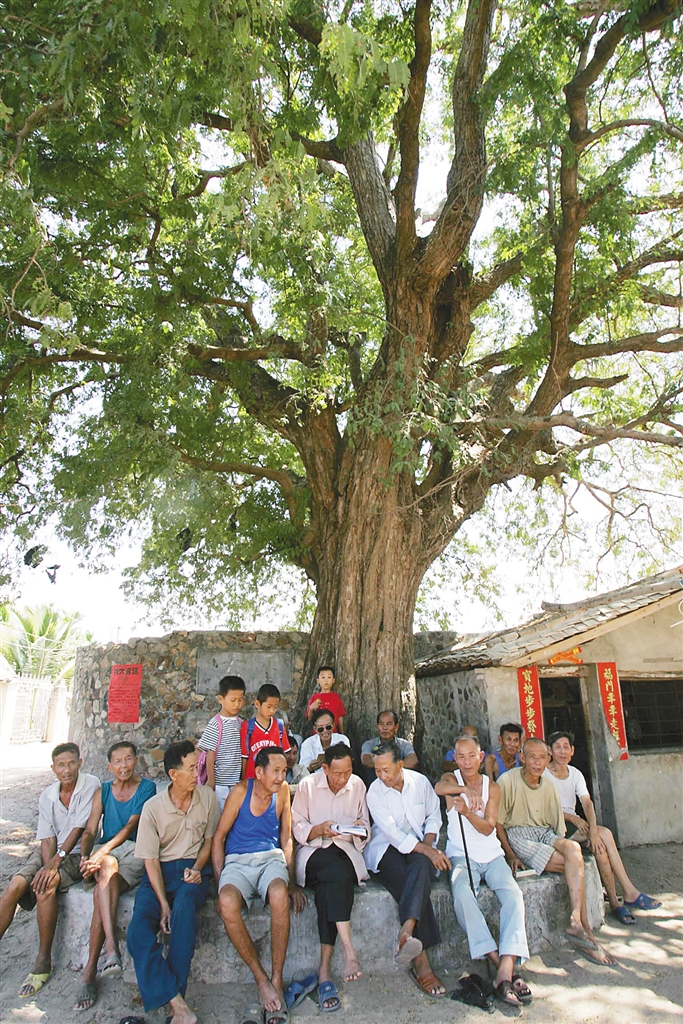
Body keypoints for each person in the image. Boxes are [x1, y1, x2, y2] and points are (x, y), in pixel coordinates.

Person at [496, 737, 616, 966]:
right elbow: (498, 823)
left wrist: (565, 847)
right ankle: (585, 930)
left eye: (542, 758)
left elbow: (557, 829)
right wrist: (510, 854)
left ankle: (576, 920)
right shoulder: (507, 781)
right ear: (522, 757)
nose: (537, 762)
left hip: (544, 832)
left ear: (547, 759)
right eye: (532, 757)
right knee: (574, 865)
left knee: (573, 850)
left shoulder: (548, 786)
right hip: (519, 834)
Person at [435, 735, 532, 1009]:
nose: (466, 762)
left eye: (472, 756)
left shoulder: (493, 787)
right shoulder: (452, 779)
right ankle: (500, 964)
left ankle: (505, 969)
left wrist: (468, 813)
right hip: (461, 855)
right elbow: (439, 787)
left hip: (492, 855)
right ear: (455, 758)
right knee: (463, 896)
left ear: (481, 757)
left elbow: (489, 828)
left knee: (514, 896)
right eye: (461, 756)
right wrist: (465, 791)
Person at [127, 740, 219, 1024]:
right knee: (138, 931)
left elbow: (209, 842)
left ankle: (175, 1004)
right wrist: (162, 903)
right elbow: (151, 860)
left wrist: (198, 868)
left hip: (193, 871)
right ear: (173, 774)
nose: (197, 774)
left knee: (184, 912)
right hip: (158, 875)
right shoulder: (153, 808)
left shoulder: (207, 797)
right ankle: (176, 1002)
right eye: (191, 768)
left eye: (198, 767)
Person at [213, 746, 306, 1024]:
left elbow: (286, 837)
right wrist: (219, 885)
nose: (280, 777)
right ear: (259, 772)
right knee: (227, 901)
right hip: (238, 862)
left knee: (279, 894)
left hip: (270, 859)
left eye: (284, 771)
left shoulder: (283, 791)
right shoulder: (241, 792)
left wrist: (291, 883)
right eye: (275, 771)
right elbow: (218, 838)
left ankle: (276, 979)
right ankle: (261, 978)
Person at [0, 742, 100, 998]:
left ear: (80, 763)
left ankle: (43, 961)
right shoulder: (48, 795)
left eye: (72, 763)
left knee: (46, 887)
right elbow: (47, 838)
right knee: (14, 886)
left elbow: (79, 829)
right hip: (52, 851)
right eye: (61, 765)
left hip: (77, 852)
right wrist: (47, 865)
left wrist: (54, 866)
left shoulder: (90, 784)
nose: (67, 770)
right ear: (53, 768)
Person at [545, 730, 661, 924]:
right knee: (605, 834)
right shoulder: (545, 774)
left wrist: (592, 830)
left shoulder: (575, 773)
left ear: (572, 751)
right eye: (557, 747)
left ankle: (615, 903)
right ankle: (629, 892)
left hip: (575, 826)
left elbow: (587, 802)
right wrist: (575, 819)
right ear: (550, 751)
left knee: (601, 850)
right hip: (557, 825)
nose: (562, 751)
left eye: (566, 747)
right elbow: (545, 808)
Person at [364, 740, 450, 997]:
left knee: (421, 866)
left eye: (386, 770)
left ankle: (407, 931)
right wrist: (428, 852)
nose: (381, 776)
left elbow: (434, 816)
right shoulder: (375, 792)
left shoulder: (420, 782)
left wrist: (428, 847)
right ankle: (421, 963)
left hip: (419, 843)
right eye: (377, 771)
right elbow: (392, 834)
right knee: (407, 879)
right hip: (386, 848)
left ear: (400, 765)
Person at [75, 741, 156, 1011]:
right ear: (109, 767)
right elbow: (90, 830)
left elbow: (131, 826)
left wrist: (101, 852)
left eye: (129, 759)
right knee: (106, 872)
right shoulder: (104, 791)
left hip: (133, 851)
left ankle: (90, 970)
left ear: (136, 761)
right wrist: (86, 855)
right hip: (105, 854)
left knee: (103, 886)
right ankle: (111, 949)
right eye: (118, 761)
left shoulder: (146, 788)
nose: (124, 766)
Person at [291, 743, 370, 1012]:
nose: (343, 778)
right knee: (335, 873)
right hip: (314, 851)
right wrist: (319, 829)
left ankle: (324, 970)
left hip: (345, 850)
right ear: (325, 768)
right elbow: (297, 825)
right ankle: (348, 949)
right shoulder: (308, 786)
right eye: (337, 774)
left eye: (347, 772)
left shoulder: (357, 785)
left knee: (332, 884)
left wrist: (357, 829)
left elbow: (365, 825)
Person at [198, 674, 245, 811]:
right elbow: (210, 753)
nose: (237, 704)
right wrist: (211, 780)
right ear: (221, 699)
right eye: (233, 700)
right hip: (220, 784)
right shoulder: (215, 724)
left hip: (236, 782)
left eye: (240, 700)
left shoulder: (241, 723)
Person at [241, 683, 290, 779]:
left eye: (275, 707)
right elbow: (244, 756)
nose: (272, 711)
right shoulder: (248, 726)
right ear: (257, 704)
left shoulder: (279, 726)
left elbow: (284, 754)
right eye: (269, 707)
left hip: (273, 780)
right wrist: (244, 780)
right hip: (253, 779)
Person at [306, 665, 346, 733]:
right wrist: (311, 708)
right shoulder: (314, 698)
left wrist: (342, 734)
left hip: (333, 733)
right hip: (319, 733)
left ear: (333, 680)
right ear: (318, 680)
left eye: (329, 677)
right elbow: (309, 718)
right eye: (323, 677)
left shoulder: (336, 697)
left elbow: (340, 717)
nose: (326, 680)